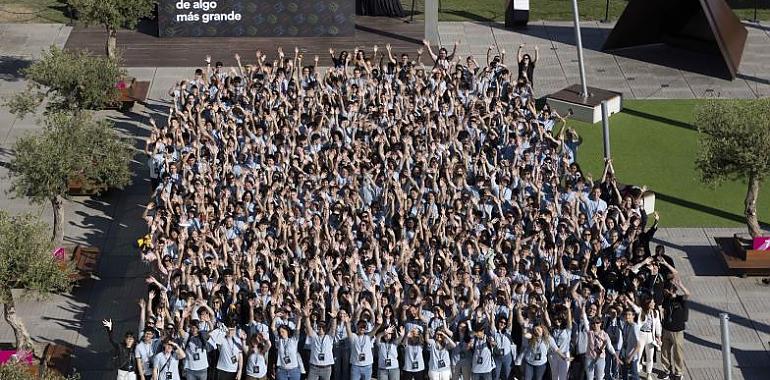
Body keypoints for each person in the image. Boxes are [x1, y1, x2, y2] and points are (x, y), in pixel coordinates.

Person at [660, 277, 689, 380]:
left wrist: (680, 285)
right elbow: (663, 310)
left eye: (668, 290)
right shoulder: (666, 299)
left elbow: (688, 294)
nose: (666, 291)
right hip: (667, 328)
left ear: (673, 290)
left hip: (677, 331)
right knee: (664, 351)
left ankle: (678, 372)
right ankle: (666, 370)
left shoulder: (680, 300)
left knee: (678, 353)